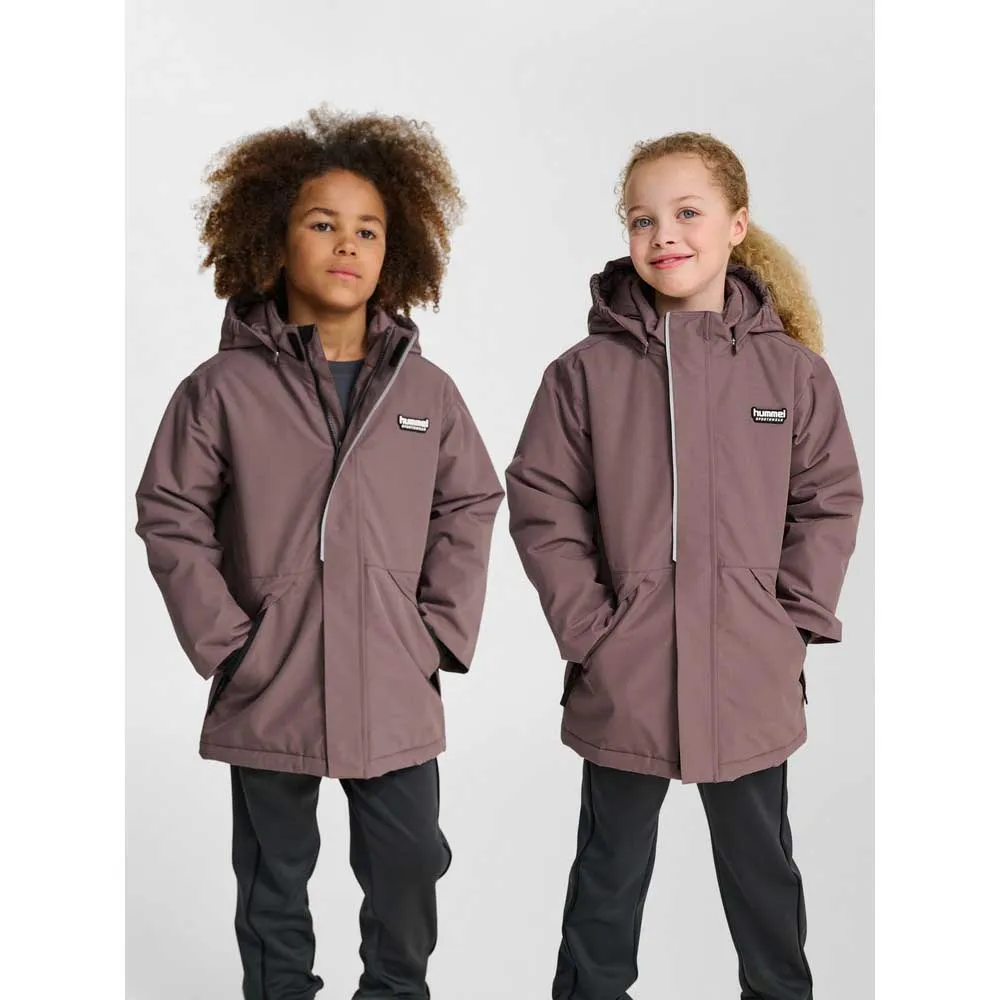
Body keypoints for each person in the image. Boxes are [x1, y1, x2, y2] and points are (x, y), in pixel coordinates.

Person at [134, 105, 504, 1000]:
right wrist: (230, 644)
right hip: (272, 676)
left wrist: (436, 631)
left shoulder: (427, 391)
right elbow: (170, 511)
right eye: (323, 223)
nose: (348, 244)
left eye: (369, 229)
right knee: (274, 880)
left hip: (392, 671)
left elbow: (471, 501)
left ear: (394, 252)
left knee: (409, 861)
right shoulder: (222, 389)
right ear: (274, 238)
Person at [505, 131, 863, 1000]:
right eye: (642, 219)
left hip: (748, 675)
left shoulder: (794, 375)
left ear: (737, 224)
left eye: (687, 212)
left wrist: (789, 624)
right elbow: (543, 503)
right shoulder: (583, 375)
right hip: (625, 675)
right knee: (608, 876)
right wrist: (593, 631)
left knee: (763, 876)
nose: (663, 233)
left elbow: (828, 500)